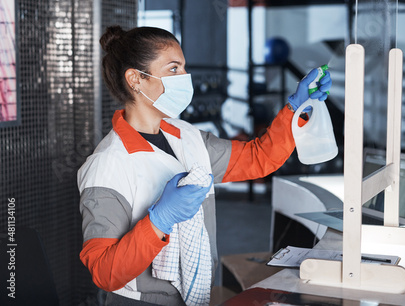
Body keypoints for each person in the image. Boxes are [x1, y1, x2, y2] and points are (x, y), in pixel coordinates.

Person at [78, 26, 332, 306]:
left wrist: (297, 108)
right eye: (173, 69)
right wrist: (157, 221)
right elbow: (104, 272)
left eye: (184, 69)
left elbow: (259, 158)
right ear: (135, 79)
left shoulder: (186, 136)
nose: (185, 78)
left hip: (197, 295)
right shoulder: (107, 165)